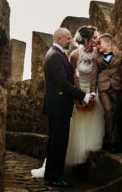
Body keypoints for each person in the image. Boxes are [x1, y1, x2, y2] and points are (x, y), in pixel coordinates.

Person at [42, 28, 95, 187]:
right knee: (58, 143)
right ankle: (55, 178)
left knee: (56, 143)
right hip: (58, 108)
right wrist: (83, 96)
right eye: (67, 38)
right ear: (58, 38)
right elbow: (63, 84)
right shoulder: (55, 56)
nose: (70, 41)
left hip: (57, 107)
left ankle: (51, 175)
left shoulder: (55, 53)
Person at [65, 26, 105, 165]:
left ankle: (91, 154)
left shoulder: (97, 52)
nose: (97, 39)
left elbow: (113, 54)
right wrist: (81, 94)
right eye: (94, 37)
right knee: (80, 123)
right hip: (81, 90)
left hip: (95, 91)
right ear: (86, 40)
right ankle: (79, 156)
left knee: (95, 121)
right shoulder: (75, 55)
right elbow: (73, 75)